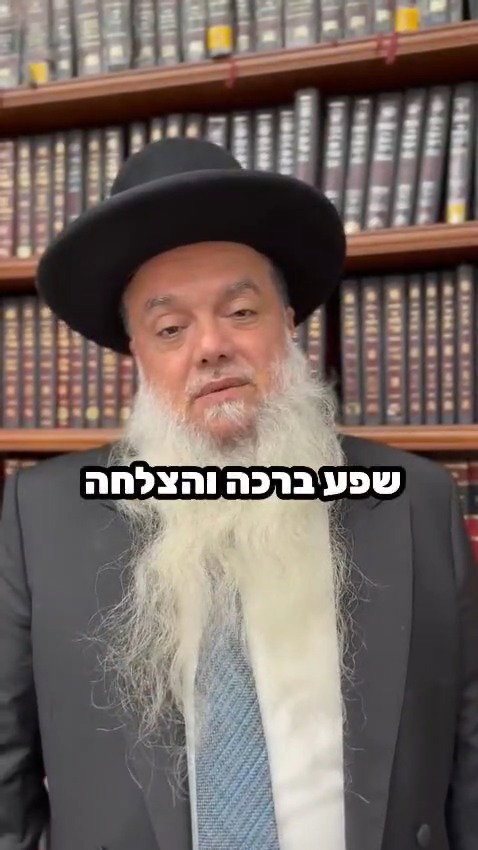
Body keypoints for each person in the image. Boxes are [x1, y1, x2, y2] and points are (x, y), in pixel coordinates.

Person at [0, 138, 477, 850]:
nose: (211, 346)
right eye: (170, 328)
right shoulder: (41, 517)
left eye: (242, 312)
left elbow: (468, 754)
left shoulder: (416, 503)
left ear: (289, 323)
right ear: (138, 356)